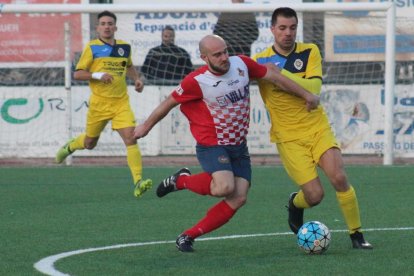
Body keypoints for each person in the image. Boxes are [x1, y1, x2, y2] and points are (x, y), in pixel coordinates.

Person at [133, 34, 319, 252]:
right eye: (217, 54)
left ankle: (188, 235)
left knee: (239, 197)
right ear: (204, 57)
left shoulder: (241, 64)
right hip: (213, 143)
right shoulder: (197, 81)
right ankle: (182, 181)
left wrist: (307, 95)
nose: (224, 57)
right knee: (224, 186)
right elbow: (169, 102)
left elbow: (275, 77)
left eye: (225, 51)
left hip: (238, 145)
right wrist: (145, 127)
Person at [252, 7, 373, 249]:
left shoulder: (309, 51)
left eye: (293, 28)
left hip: (317, 127)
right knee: (315, 196)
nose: (288, 33)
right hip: (288, 138)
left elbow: (314, 89)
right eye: (283, 28)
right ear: (272, 29)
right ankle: (295, 204)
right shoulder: (260, 62)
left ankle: (356, 235)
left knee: (339, 177)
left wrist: (278, 74)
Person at [55, 10, 152, 198]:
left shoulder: (124, 47)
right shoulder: (92, 48)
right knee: (90, 143)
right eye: (103, 24)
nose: (107, 26)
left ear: (115, 27)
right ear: (97, 28)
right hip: (99, 105)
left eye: (110, 23)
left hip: (121, 104)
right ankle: (70, 147)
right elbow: (78, 73)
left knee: (131, 138)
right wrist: (98, 75)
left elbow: (129, 65)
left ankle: (138, 181)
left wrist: (137, 79)